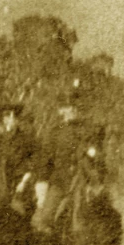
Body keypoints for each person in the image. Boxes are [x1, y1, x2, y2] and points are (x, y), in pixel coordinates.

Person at [32, 89, 101, 234]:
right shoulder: (55, 132)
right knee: (44, 219)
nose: (71, 111)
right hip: (60, 182)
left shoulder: (89, 130)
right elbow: (46, 160)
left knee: (88, 220)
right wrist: (42, 182)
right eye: (67, 107)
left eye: (73, 107)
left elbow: (97, 157)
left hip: (83, 181)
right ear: (61, 110)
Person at [0, 103, 38, 213]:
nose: (10, 119)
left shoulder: (25, 139)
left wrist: (24, 182)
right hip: (1, 184)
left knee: (18, 210)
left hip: (20, 184)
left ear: (17, 119)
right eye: (6, 115)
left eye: (13, 115)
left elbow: (34, 163)